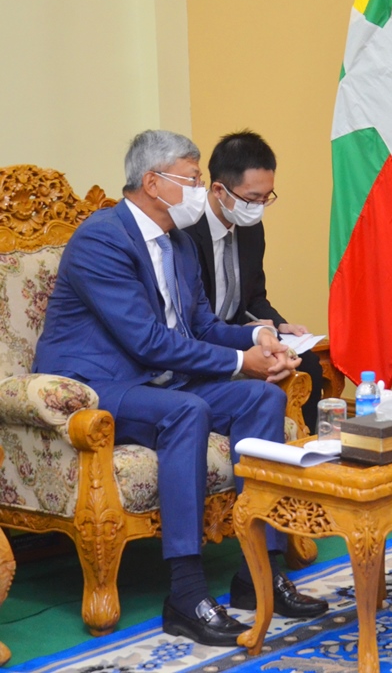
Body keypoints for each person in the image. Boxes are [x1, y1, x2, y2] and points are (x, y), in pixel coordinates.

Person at [33, 130, 327, 646]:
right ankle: (186, 595)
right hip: (96, 387)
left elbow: (201, 325)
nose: (199, 189)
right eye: (192, 180)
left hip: (162, 382)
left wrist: (260, 337)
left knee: (263, 396)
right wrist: (240, 361)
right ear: (153, 182)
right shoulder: (102, 238)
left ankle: (259, 571)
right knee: (186, 410)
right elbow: (146, 341)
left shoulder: (179, 243)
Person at [183, 130, 324, 429]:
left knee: (307, 362)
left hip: (245, 333)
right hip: (202, 339)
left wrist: (279, 324)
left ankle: (307, 448)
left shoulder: (250, 228)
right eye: (251, 198)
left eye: (266, 197)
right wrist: (239, 335)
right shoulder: (185, 231)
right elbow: (190, 316)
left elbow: (254, 296)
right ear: (219, 190)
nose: (259, 207)